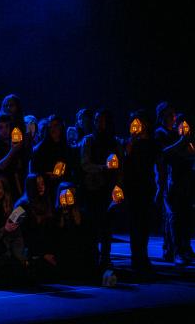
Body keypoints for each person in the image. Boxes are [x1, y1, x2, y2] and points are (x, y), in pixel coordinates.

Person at [155, 103, 195, 266]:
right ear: (161, 116)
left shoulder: (175, 133)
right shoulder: (160, 134)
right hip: (168, 180)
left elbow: (188, 153)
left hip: (181, 179)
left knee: (182, 215)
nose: (173, 117)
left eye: (173, 114)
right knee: (172, 215)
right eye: (169, 114)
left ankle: (179, 248)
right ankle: (175, 252)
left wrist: (187, 146)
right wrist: (181, 142)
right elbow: (163, 153)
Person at [80, 109, 124, 269]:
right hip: (93, 187)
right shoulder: (88, 140)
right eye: (98, 120)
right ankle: (93, 257)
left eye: (103, 120)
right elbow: (84, 164)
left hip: (109, 187)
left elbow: (120, 167)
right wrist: (102, 167)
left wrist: (118, 186)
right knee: (93, 225)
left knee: (107, 226)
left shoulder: (115, 142)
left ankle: (105, 258)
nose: (100, 124)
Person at [123, 110, 160, 273]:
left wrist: (159, 185)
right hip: (133, 186)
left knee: (145, 224)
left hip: (147, 185)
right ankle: (136, 258)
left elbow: (157, 163)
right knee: (135, 223)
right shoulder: (129, 143)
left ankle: (143, 256)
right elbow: (124, 163)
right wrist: (129, 148)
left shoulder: (152, 143)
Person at [15, 174, 57, 277]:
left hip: (43, 249)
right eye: (37, 184)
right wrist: (42, 255)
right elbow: (17, 233)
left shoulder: (46, 202)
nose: (41, 187)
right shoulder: (22, 206)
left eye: (42, 184)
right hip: (28, 252)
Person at [0, 112, 25, 200]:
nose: (5, 130)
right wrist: (13, 150)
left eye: (7, 126)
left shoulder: (12, 141)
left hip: (12, 183)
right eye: (1, 127)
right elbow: (1, 165)